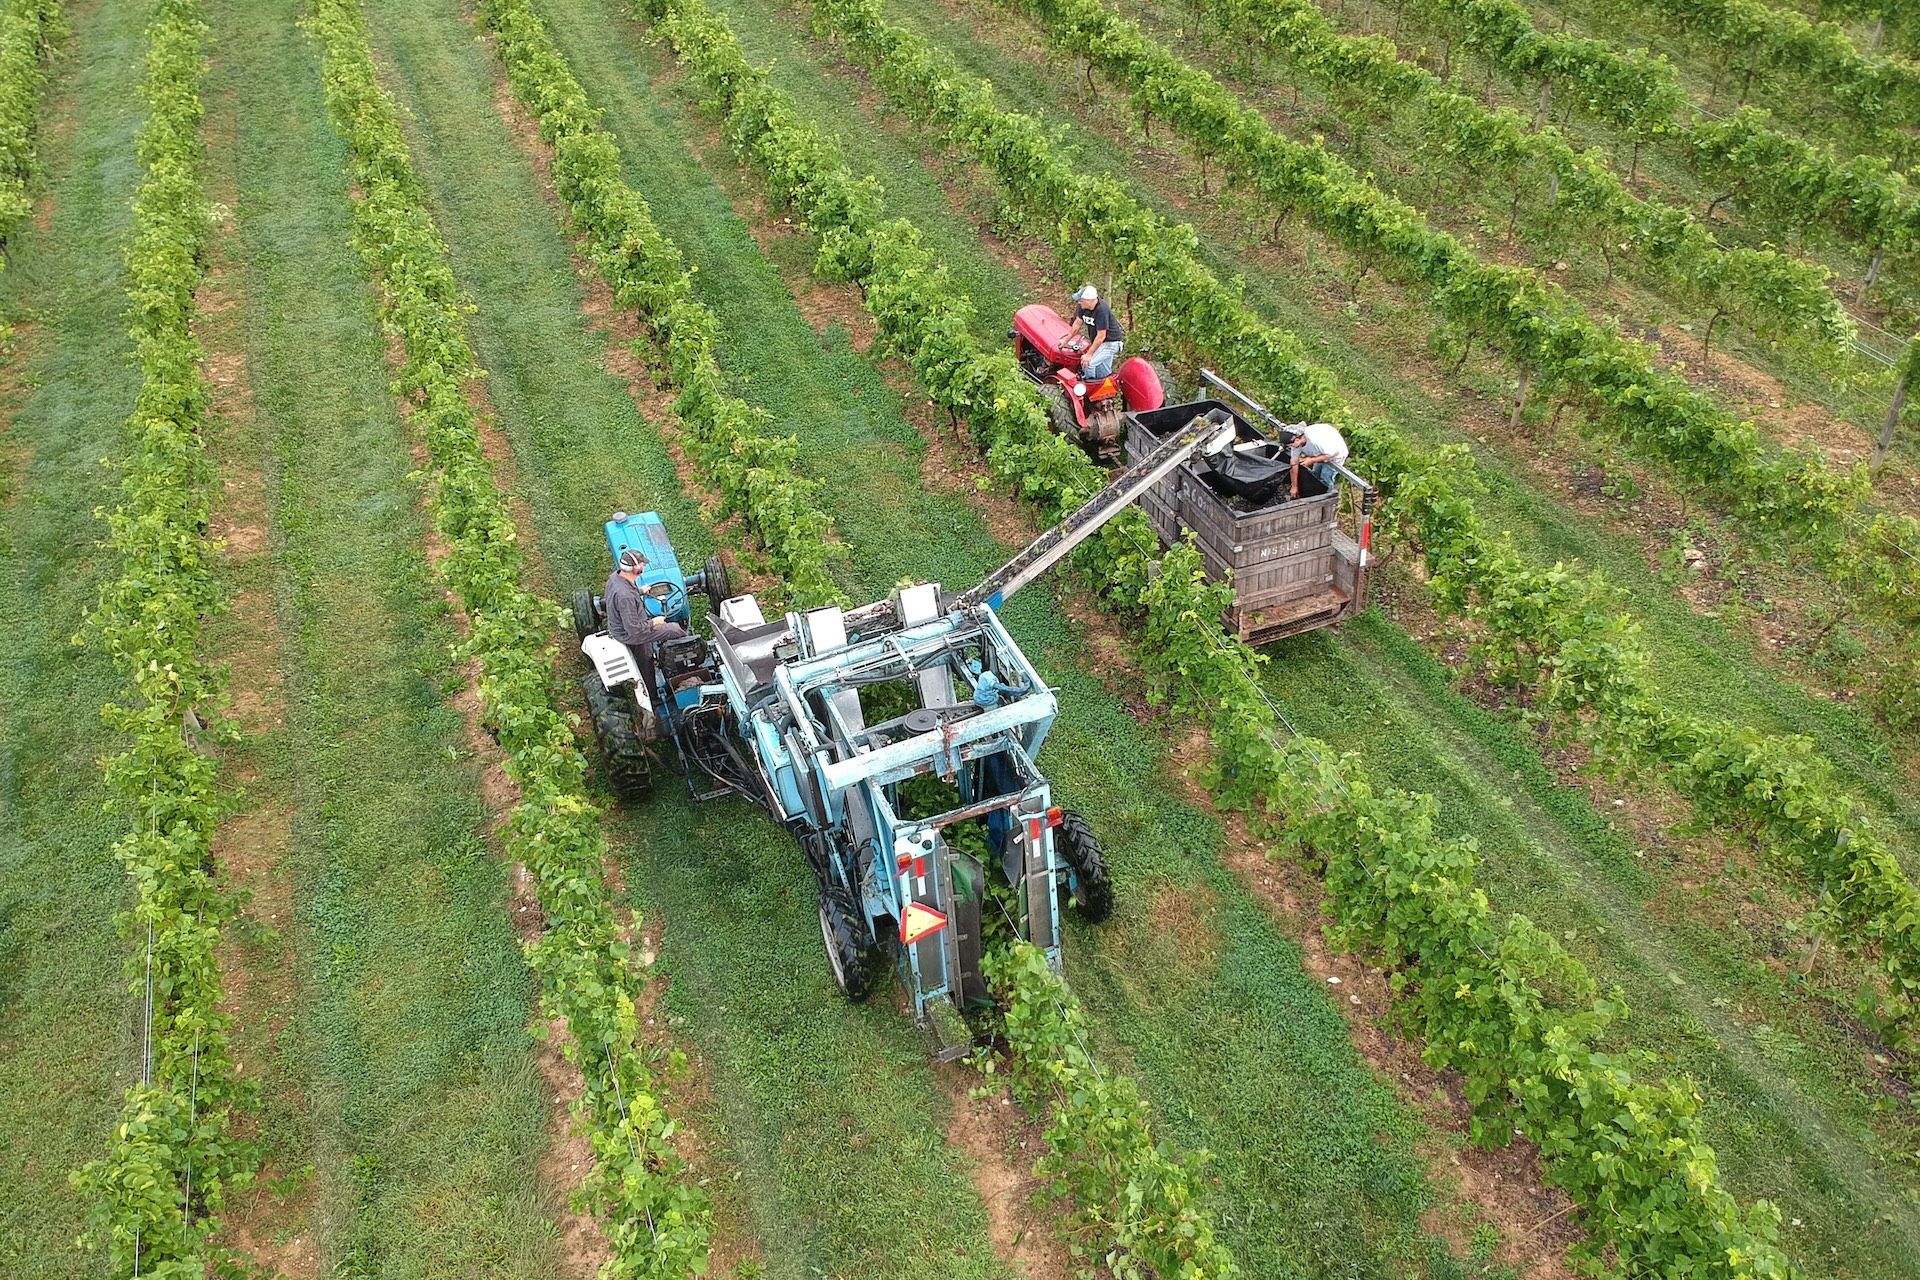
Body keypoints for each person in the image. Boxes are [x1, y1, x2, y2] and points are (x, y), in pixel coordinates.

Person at [603, 548, 689, 695]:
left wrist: (640, 591)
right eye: (642, 565)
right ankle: (656, 689)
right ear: (636, 569)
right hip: (630, 633)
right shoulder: (626, 597)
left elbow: (627, 596)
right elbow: (635, 630)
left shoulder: (616, 578)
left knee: (655, 640)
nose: (644, 567)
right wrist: (655, 622)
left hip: (626, 625)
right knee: (675, 629)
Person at [1070, 284, 1124, 378]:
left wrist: (1089, 354)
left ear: (1089, 301)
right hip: (1100, 342)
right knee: (1102, 372)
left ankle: (1088, 388)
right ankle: (1105, 390)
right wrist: (1065, 341)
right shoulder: (1082, 307)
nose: (1078, 302)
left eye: (1081, 300)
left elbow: (1101, 336)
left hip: (1110, 343)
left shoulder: (1102, 310)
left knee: (1088, 363)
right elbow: (1077, 324)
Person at [1287, 421, 1349, 498]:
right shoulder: (1295, 443)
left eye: (1291, 445)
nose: (1291, 447)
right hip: (1321, 452)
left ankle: (1329, 501)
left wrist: (1312, 460)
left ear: (1297, 440)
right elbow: (1294, 463)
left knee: (1326, 476)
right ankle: (1316, 496)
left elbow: (1335, 453)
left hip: (1335, 455)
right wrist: (1294, 486)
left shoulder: (1315, 441)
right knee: (1316, 474)